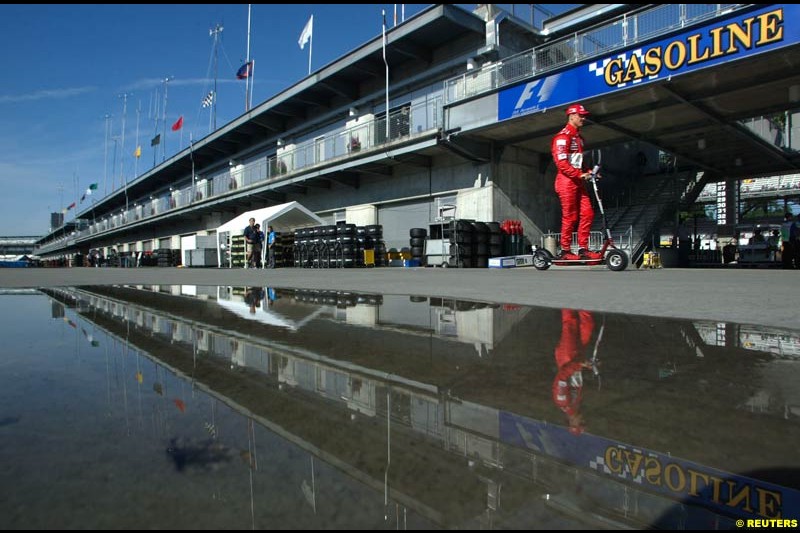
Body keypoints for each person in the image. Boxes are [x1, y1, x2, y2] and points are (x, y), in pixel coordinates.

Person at [551, 103, 601, 260]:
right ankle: (565, 250)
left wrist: (589, 173)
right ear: (571, 116)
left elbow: (579, 161)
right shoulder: (562, 137)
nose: (583, 118)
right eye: (581, 115)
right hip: (566, 182)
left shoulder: (579, 138)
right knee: (570, 216)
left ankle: (583, 249)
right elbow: (561, 162)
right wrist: (579, 175)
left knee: (588, 213)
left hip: (578, 181)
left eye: (584, 115)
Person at [552, 309, 596, 436]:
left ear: (572, 422)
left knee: (570, 322)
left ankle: (569, 293)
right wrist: (589, 365)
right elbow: (576, 378)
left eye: (580, 423)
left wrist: (580, 364)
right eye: (584, 422)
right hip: (577, 358)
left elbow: (562, 375)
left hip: (566, 356)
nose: (583, 420)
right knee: (588, 325)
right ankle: (585, 298)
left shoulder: (563, 401)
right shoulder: (576, 404)